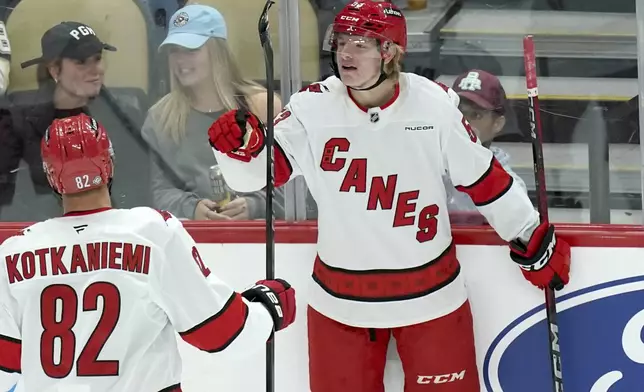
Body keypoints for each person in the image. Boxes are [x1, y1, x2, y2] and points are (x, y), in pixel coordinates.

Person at [207, 1, 571, 391]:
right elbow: (258, 175)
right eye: (341, 41)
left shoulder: (433, 105)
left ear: (391, 52)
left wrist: (527, 232)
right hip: (339, 304)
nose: (345, 53)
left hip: (433, 300)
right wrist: (236, 152)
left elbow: (483, 177)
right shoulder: (311, 107)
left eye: (360, 44)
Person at [0, 114, 296, 392]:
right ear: (109, 163)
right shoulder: (153, 232)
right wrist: (268, 308)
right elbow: (220, 332)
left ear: (51, 177)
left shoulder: (13, 254)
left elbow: (5, 367)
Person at [142, 4, 284, 221]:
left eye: (190, 51)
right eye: (174, 52)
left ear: (217, 51)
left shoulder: (263, 108)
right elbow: (160, 193)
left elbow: (293, 189)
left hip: (256, 243)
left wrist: (254, 205)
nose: (180, 61)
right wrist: (193, 209)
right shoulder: (160, 117)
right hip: (191, 241)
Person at [0, 21, 150, 221]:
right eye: (81, 62)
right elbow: (11, 203)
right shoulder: (17, 124)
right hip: (45, 240)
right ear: (54, 70)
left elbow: (139, 190)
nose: (95, 70)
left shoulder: (124, 117)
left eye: (97, 59)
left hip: (112, 238)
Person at [444, 69, 527, 213]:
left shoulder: (511, 188)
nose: (464, 121)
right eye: (459, 111)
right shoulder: (427, 166)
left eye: (476, 114)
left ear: (497, 124)